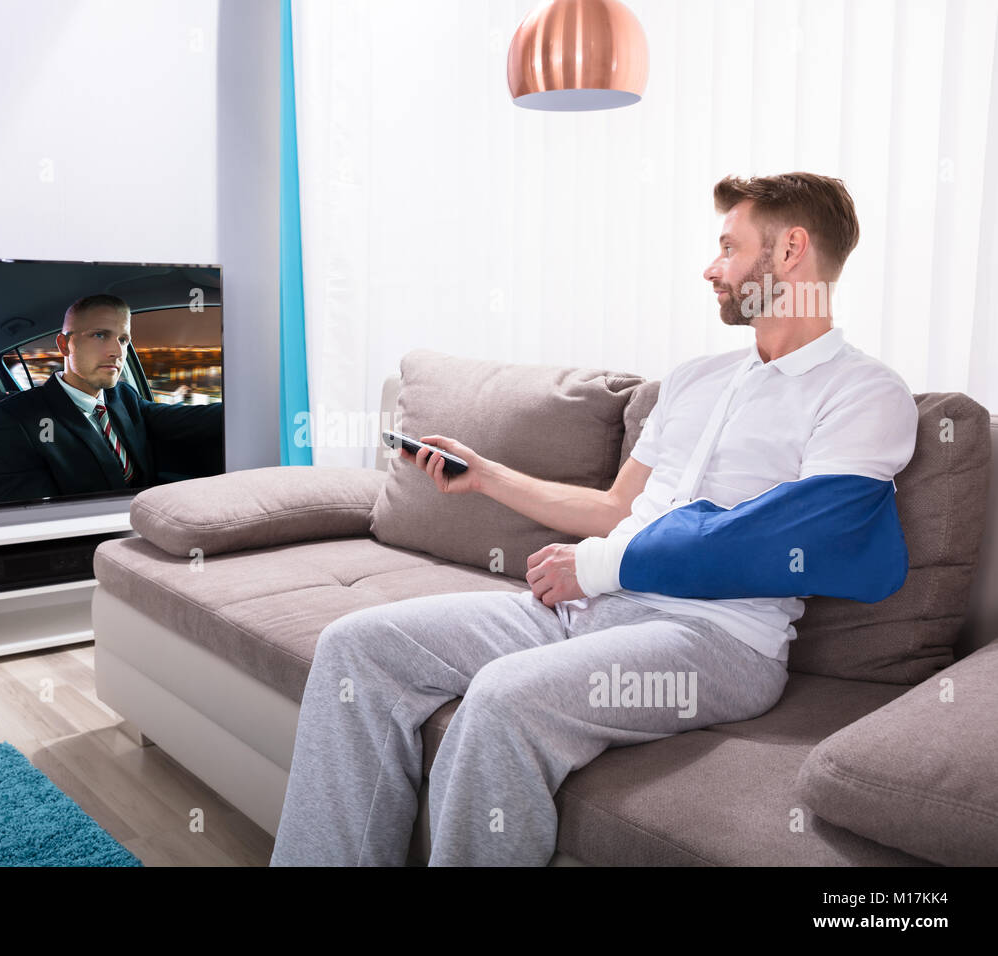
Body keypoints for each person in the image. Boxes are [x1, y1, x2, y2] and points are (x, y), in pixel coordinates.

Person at [269, 172, 920, 866]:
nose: (711, 267)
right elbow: (615, 509)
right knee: (357, 647)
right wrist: (485, 475)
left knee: (502, 701)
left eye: (728, 246)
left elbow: (799, 535)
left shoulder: (865, 393)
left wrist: (599, 564)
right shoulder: (696, 379)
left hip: (717, 641)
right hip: (592, 602)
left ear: (791, 251)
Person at [0, 294, 222, 505]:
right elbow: (26, 524)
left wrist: (251, 410)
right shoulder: (10, 421)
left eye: (123, 339)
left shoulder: (124, 396)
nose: (117, 351)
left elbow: (187, 419)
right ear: (64, 345)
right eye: (100, 335)